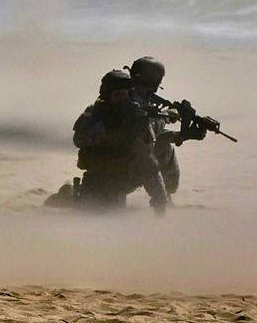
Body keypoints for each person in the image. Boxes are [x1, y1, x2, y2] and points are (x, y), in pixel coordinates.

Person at [57, 69, 169, 212]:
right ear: (106, 95)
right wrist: (106, 129)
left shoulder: (136, 119)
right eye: (117, 95)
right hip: (96, 179)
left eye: (126, 94)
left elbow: (148, 164)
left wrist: (159, 201)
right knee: (84, 209)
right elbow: (78, 140)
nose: (122, 99)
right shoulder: (95, 113)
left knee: (114, 213)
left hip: (122, 181)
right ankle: (66, 193)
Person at [128, 56, 182, 195]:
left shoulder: (128, 93)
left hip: (126, 156)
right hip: (131, 159)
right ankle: (166, 195)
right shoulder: (132, 98)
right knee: (165, 149)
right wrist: (167, 116)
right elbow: (146, 126)